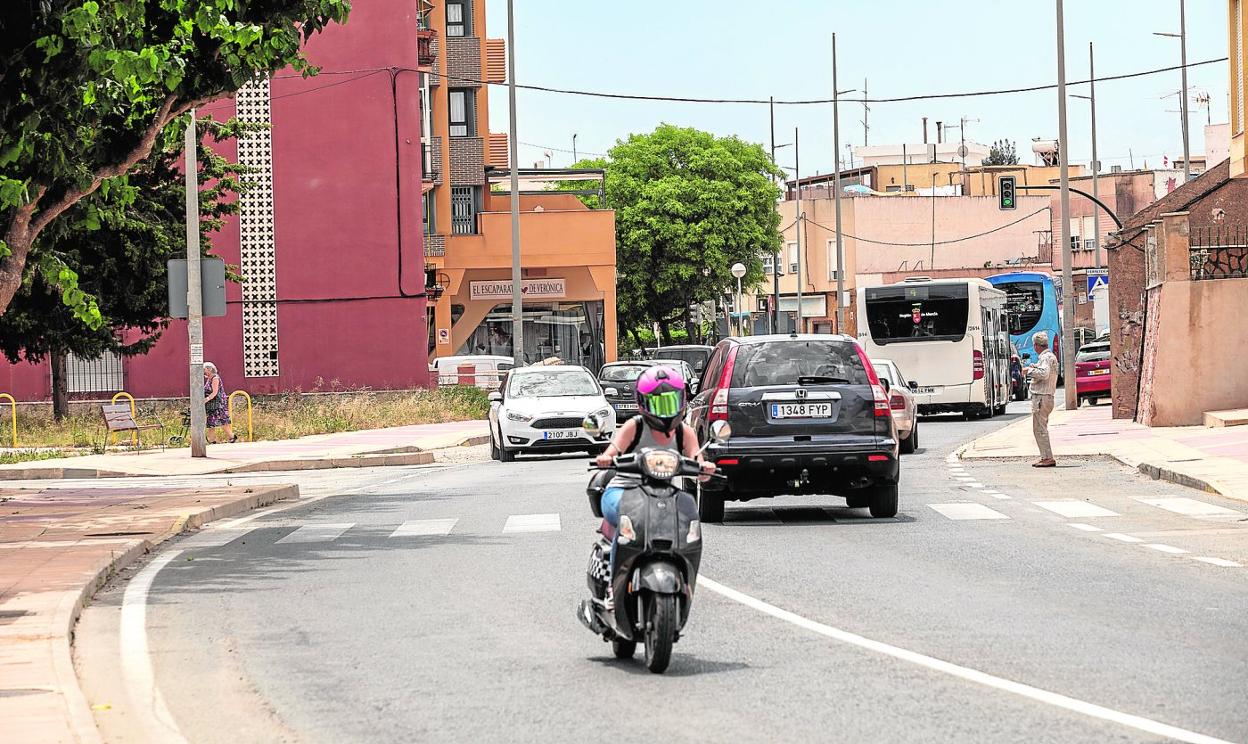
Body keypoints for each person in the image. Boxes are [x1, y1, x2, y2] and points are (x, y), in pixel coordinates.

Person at [593, 365, 715, 607]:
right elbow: (613, 450)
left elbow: (697, 461)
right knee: (627, 520)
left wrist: (704, 469)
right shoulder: (634, 427)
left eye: (671, 402)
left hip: (663, 495)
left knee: (685, 518)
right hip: (623, 491)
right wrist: (607, 458)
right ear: (643, 403)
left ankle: (684, 578)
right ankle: (611, 587)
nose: (666, 411)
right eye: (659, 404)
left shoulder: (685, 433)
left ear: (682, 400)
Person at [1024, 333, 1058, 467]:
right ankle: (1045, 456)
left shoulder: (1045, 358)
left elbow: (1044, 374)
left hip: (1041, 397)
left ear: (1035, 345)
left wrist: (1029, 371)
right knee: (1041, 427)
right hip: (1047, 397)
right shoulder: (1051, 357)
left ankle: (1047, 457)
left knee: (1039, 429)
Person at [203, 362, 236, 444]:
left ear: (209, 370)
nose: (203, 371)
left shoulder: (215, 378)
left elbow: (215, 392)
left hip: (218, 403)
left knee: (222, 421)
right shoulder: (209, 379)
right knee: (211, 421)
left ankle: (232, 436)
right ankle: (211, 439)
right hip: (212, 404)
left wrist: (206, 399)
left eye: (205, 369)